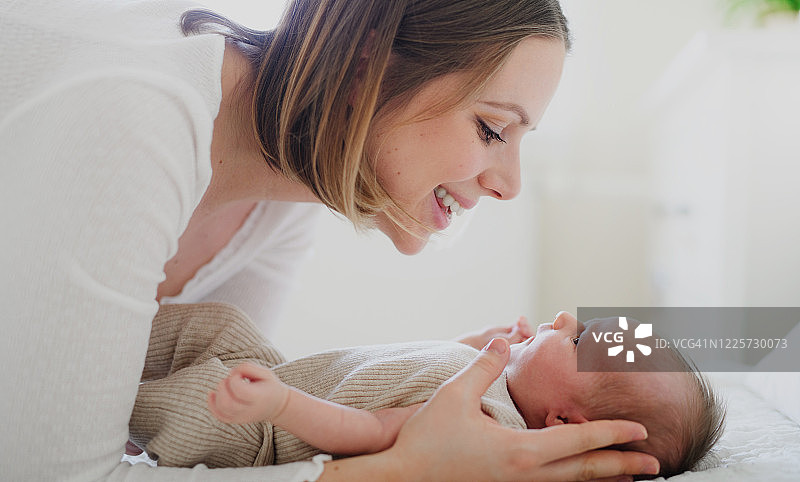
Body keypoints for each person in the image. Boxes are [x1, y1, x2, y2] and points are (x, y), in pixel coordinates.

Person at [1, 0, 663, 479]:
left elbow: (217, 426)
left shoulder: (281, 199)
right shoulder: (135, 120)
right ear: (368, 61)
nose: (510, 184)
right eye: (492, 129)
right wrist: (403, 473)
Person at [130, 306, 724, 478]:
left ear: (563, 423)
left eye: (577, 343)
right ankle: (100, 331)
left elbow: (370, 431)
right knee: (214, 324)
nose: (565, 318)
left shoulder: (481, 421)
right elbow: (418, 364)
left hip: (260, 429)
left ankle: (76, 381)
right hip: (278, 372)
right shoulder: (491, 382)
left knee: (175, 401)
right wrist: (474, 343)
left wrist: (279, 406)